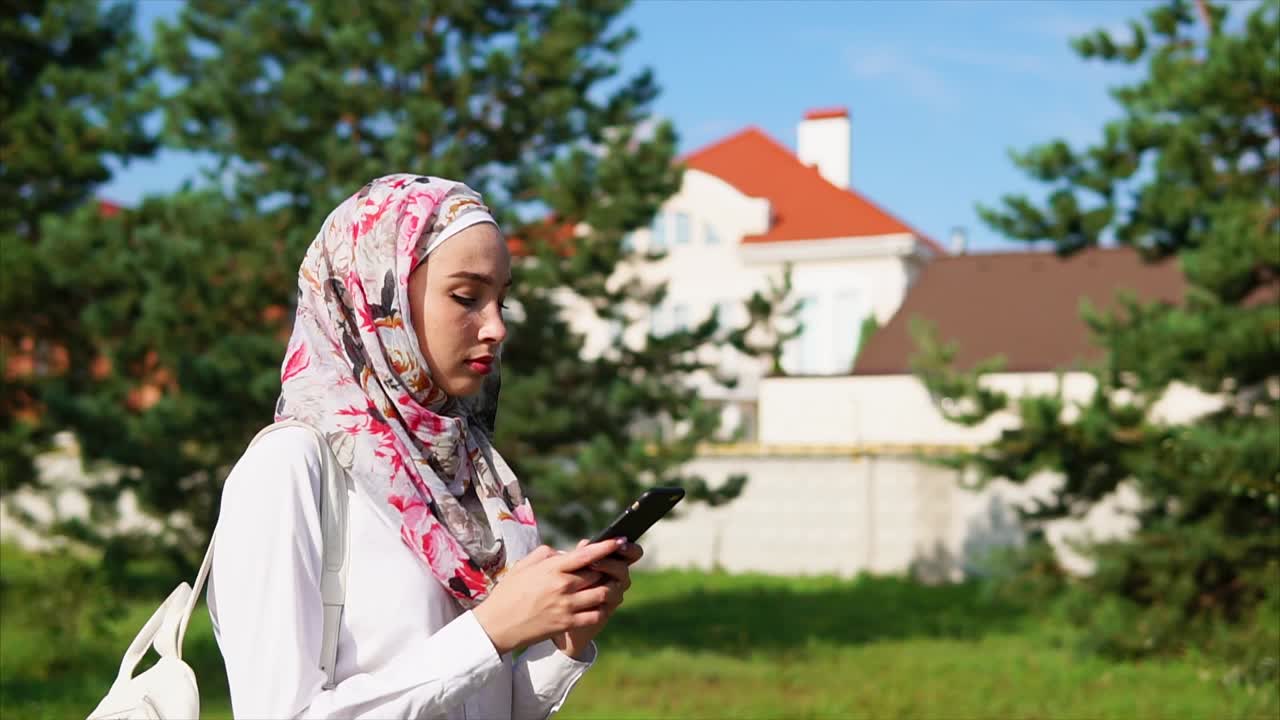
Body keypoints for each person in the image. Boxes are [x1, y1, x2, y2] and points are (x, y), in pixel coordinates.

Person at [207, 174, 642, 719]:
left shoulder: (477, 474)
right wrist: (491, 631)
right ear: (374, 296)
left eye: (501, 301)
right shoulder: (290, 469)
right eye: (467, 297)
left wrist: (563, 639)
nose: (496, 327)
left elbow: (485, 704)